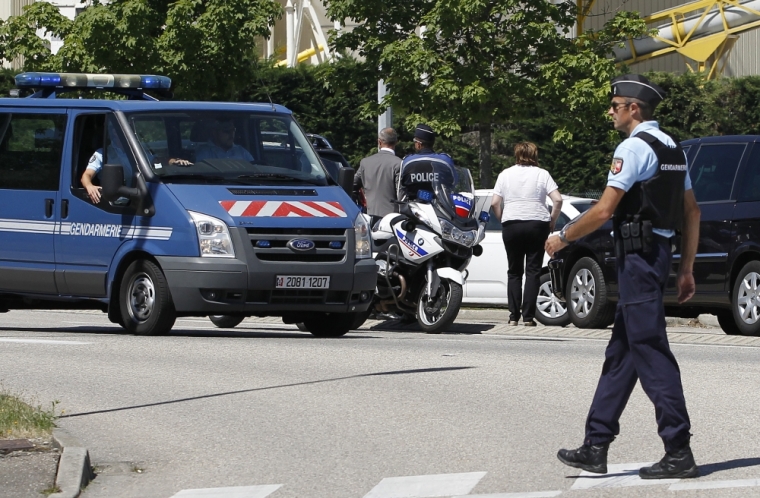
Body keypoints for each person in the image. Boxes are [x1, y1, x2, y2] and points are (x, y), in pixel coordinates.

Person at [546, 74, 701, 479]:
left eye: (615, 106)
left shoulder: (632, 147)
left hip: (638, 257)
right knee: (622, 354)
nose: (610, 112)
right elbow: (692, 212)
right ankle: (595, 445)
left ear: (634, 109)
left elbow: (603, 210)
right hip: (657, 255)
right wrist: (685, 269)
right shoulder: (673, 149)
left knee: (649, 349)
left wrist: (562, 237)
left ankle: (678, 449)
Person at [491, 142, 562, 327]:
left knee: (514, 271)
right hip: (537, 224)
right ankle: (528, 317)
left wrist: (503, 219)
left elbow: (495, 203)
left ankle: (513, 316)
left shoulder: (505, 174)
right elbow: (558, 199)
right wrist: (552, 220)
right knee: (533, 272)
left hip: (512, 224)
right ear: (535, 155)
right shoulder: (542, 174)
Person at [353, 127, 402, 226]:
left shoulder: (365, 163)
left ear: (379, 142)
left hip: (370, 218)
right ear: (396, 142)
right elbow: (401, 193)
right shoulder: (399, 164)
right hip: (393, 220)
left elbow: (352, 185)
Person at [397, 123, 457, 202]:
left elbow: (401, 187)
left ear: (418, 144)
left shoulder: (407, 161)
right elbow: (455, 182)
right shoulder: (445, 160)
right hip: (441, 207)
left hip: (414, 208)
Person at [81, 124, 132, 204]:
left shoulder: (137, 153)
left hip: (137, 198)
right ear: (114, 132)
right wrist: (89, 186)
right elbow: (86, 175)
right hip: (114, 203)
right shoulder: (102, 154)